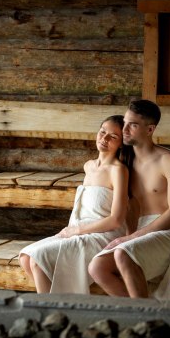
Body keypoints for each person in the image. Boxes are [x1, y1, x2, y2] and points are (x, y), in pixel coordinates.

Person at [88, 99, 170, 300]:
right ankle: (143, 315)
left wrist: (130, 239)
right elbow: (131, 206)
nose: (125, 129)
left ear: (150, 129)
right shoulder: (125, 162)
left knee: (123, 253)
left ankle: (144, 318)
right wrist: (130, 235)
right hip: (141, 230)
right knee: (97, 267)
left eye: (133, 125)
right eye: (125, 122)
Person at [19, 115, 129, 294]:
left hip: (103, 234)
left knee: (38, 260)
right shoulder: (89, 166)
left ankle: (52, 315)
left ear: (122, 143)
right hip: (78, 229)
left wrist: (76, 231)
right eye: (102, 132)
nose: (104, 139)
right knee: (25, 257)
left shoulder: (118, 171)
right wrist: (73, 230)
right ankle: (57, 306)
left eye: (113, 137)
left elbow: (116, 220)